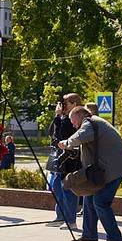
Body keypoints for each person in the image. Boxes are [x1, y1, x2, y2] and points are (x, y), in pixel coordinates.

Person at [59, 106, 122, 241]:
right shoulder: (94, 122)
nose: (73, 125)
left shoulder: (89, 122)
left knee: (100, 202)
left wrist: (67, 143)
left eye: (73, 121)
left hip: (114, 170)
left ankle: (115, 240)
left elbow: (81, 136)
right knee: (89, 198)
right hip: (110, 168)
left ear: (80, 115)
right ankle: (89, 236)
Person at [46, 93, 83, 230]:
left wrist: (60, 118)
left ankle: (70, 220)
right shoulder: (63, 118)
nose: (63, 106)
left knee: (67, 189)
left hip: (69, 160)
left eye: (65, 103)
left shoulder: (73, 119)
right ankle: (60, 216)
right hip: (59, 158)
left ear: (74, 104)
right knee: (56, 187)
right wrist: (57, 116)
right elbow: (51, 132)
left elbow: (62, 136)